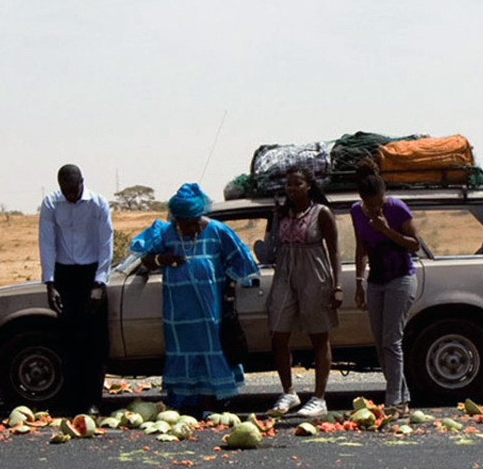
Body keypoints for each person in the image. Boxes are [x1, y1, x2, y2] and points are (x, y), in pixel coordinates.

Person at [130, 183, 258, 414]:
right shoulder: (165, 233)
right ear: (176, 219)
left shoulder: (217, 230)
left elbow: (239, 261)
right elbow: (146, 260)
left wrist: (230, 290)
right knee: (182, 351)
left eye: (194, 222)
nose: (191, 227)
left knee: (208, 348)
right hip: (178, 312)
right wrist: (164, 259)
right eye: (185, 223)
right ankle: (184, 405)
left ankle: (210, 405)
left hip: (209, 309)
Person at [38, 164, 114, 416]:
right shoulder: (51, 203)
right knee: (69, 343)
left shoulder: (98, 203)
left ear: (82, 181)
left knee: (94, 343)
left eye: (74, 189)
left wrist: (100, 282)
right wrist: (50, 283)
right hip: (64, 276)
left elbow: (106, 242)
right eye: (65, 191)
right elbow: (46, 241)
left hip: (91, 275)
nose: (70, 195)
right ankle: (70, 400)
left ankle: (92, 400)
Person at [266, 166, 341, 417]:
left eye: (297, 183)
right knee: (278, 333)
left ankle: (319, 397)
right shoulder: (282, 213)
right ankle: (288, 392)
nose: (291, 188)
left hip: (314, 274)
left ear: (309, 185)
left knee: (318, 336)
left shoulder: (321, 213)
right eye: (288, 184)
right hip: (285, 274)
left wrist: (337, 285)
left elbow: (334, 250)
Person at [351, 159, 421, 416]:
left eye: (378, 202)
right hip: (376, 280)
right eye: (370, 205)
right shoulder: (357, 212)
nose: (374, 208)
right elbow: (361, 248)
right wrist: (359, 282)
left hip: (400, 278)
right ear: (362, 199)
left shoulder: (396, 208)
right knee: (381, 343)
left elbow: (415, 245)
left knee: (392, 341)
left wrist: (386, 230)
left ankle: (393, 401)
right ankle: (402, 397)